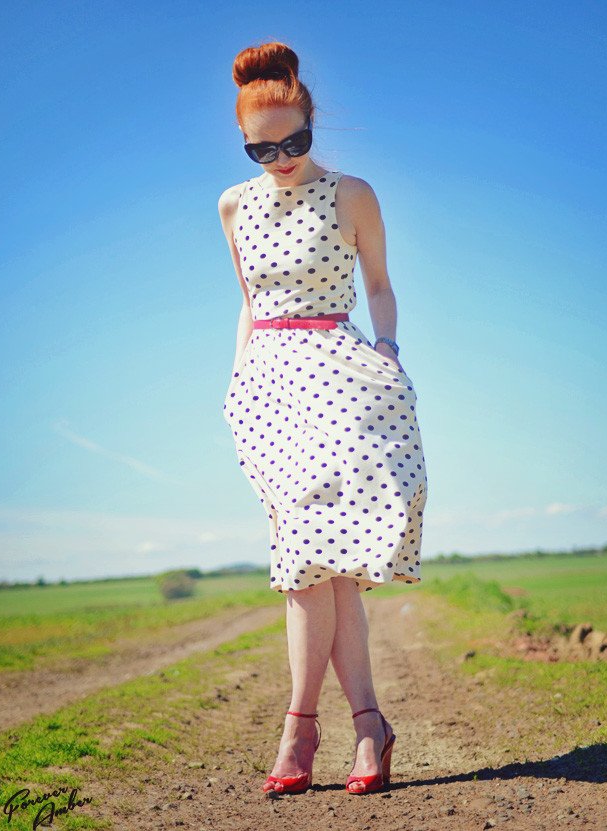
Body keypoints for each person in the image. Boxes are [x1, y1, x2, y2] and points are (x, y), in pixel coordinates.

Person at [218, 41, 428, 795]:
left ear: (312, 125)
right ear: (245, 141)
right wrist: (238, 379)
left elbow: (378, 284)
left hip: (340, 374)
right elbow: (248, 300)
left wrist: (391, 350)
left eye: (294, 141)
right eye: (262, 146)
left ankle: (298, 730)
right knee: (320, 562)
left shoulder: (352, 193)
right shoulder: (233, 205)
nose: (280, 156)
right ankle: (369, 725)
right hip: (270, 387)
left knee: (313, 554)